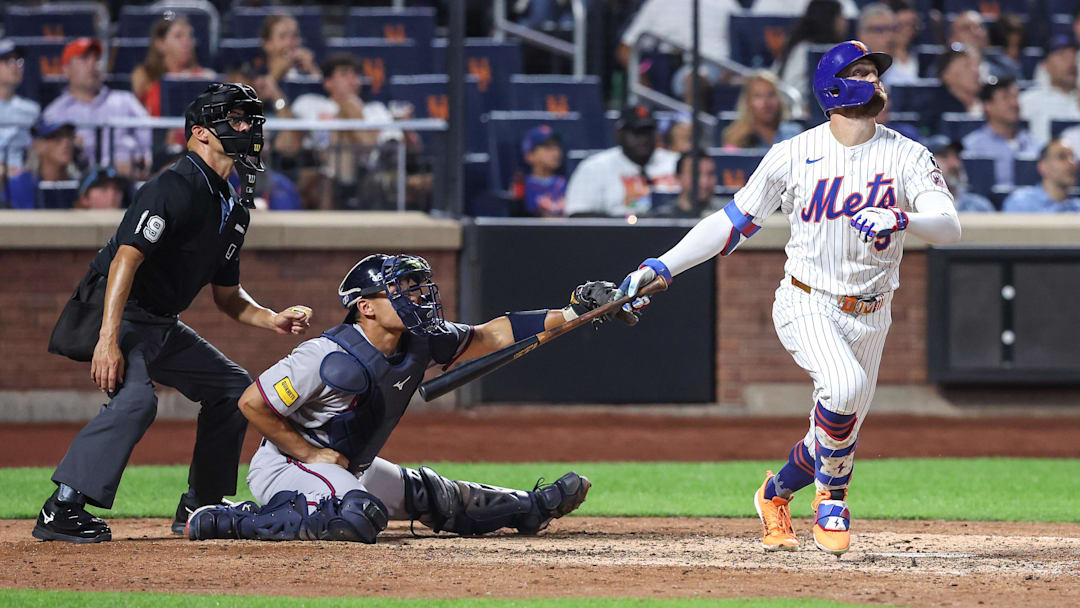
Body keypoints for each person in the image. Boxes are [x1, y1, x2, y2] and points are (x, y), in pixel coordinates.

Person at [615, 40, 960, 556]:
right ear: (833, 88)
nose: (875, 80)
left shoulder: (908, 154)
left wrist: (901, 216)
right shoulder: (793, 154)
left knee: (831, 434)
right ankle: (832, 500)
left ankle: (774, 494)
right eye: (862, 72)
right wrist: (661, 265)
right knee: (843, 388)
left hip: (873, 312)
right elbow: (731, 224)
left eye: (876, 72)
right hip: (808, 299)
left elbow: (949, 227)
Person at [32, 83, 315, 544]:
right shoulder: (174, 185)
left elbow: (227, 297)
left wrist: (271, 318)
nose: (247, 127)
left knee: (232, 389)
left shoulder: (232, 205)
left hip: (159, 322)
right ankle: (60, 507)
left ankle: (201, 504)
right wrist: (107, 338)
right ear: (200, 132)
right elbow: (125, 259)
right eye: (235, 118)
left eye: (249, 119)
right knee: (137, 401)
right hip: (116, 309)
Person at [184, 254, 628, 543]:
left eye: (416, 286)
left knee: (435, 496)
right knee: (357, 517)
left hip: (348, 466)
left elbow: (491, 335)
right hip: (287, 467)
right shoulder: (326, 356)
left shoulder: (421, 341)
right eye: (401, 289)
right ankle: (231, 519)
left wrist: (573, 311)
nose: (416, 296)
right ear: (366, 307)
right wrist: (310, 453)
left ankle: (530, 509)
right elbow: (251, 403)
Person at [42, 38, 152, 178]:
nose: (93, 64)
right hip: (80, 181)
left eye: (97, 58)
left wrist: (139, 161)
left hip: (127, 180)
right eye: (84, 58)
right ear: (66, 69)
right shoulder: (55, 113)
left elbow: (148, 141)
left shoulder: (125, 101)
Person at [565, 105, 679, 217]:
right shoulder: (594, 168)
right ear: (619, 134)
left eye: (648, 132)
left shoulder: (675, 162)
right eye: (636, 133)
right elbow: (578, 214)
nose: (644, 139)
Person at [774, 0, 848, 117]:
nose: (845, 22)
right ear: (829, 19)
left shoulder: (801, 45)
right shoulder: (804, 48)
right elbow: (787, 86)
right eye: (841, 17)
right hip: (797, 115)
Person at [132, 15, 216, 117]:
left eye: (190, 36)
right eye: (178, 36)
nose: (186, 42)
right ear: (160, 43)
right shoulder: (144, 77)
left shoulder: (205, 78)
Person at [961, 77, 1038, 186]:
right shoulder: (972, 146)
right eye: (1005, 98)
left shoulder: (1033, 143)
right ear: (987, 105)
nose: (1014, 103)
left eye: (1016, 97)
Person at [2, 121, 78, 209]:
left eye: (70, 136)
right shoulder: (18, 186)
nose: (66, 143)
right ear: (38, 145)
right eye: (56, 137)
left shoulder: (79, 186)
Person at [1020, 35, 1080, 146]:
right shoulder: (1028, 101)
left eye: (1073, 56)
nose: (1071, 62)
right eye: (1062, 56)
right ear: (1046, 65)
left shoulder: (1077, 99)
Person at [721, 71, 802, 149]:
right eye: (758, 96)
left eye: (771, 94)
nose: (766, 103)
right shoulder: (736, 138)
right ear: (748, 102)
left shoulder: (795, 134)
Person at [1001, 139, 1080, 212]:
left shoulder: (1077, 207)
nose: (1072, 163)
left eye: (1073, 157)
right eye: (1062, 157)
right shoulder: (1020, 204)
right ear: (1043, 167)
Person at [924, 135, 995, 212]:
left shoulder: (979, 207)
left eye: (957, 156)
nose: (955, 164)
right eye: (944, 156)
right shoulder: (918, 208)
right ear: (926, 164)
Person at [0, 39, 39, 176]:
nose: (15, 66)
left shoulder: (32, 110)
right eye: (8, 61)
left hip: (23, 176)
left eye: (19, 61)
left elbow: (36, 150)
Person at [921, 46, 981, 132]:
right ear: (946, 75)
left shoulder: (989, 105)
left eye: (977, 65)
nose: (976, 71)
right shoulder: (935, 112)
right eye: (967, 66)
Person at [514, 124, 566, 217]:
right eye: (548, 147)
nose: (556, 152)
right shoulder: (522, 186)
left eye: (557, 147)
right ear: (530, 155)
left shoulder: (566, 184)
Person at [652, 151, 718, 218]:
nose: (704, 182)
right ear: (678, 177)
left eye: (710, 174)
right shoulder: (660, 219)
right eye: (695, 174)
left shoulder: (724, 216)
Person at [885, 0, 919, 85]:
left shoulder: (921, 58)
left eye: (912, 25)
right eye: (901, 25)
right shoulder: (880, 58)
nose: (907, 31)